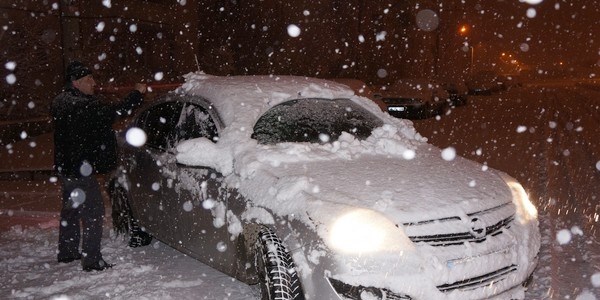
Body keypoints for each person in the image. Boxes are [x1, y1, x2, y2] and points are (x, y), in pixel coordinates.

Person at [51, 60, 147, 271]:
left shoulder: (61, 101)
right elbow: (116, 111)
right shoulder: (83, 105)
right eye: (88, 79)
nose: (93, 82)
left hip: (67, 168)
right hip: (80, 170)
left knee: (71, 209)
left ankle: (67, 252)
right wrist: (137, 93)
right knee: (93, 212)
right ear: (75, 83)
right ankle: (92, 260)